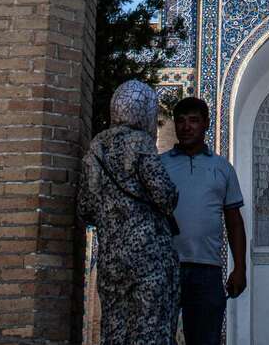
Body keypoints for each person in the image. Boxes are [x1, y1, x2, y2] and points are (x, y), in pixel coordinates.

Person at [79, 81, 181, 345]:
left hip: (112, 257)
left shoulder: (95, 149)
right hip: (147, 256)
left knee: (115, 330)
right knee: (150, 331)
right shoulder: (141, 144)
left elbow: (85, 209)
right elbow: (165, 196)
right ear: (146, 112)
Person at [158, 96, 246, 345]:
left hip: (207, 269)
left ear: (206, 124)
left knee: (205, 339)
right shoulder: (160, 165)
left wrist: (239, 268)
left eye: (193, 121)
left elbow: (234, 222)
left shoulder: (222, 168)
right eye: (181, 121)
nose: (186, 127)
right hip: (165, 268)